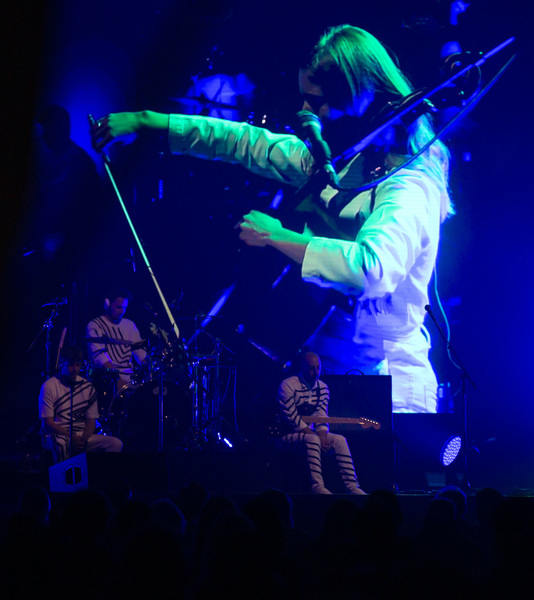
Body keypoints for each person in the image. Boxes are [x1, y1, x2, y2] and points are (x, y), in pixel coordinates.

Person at [91, 25, 452, 413]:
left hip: (390, 386)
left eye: (319, 102)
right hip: (321, 374)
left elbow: (370, 270)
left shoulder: (410, 185)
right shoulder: (341, 163)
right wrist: (148, 122)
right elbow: (244, 142)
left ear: (360, 99)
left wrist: (277, 237)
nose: (306, 113)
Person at [274, 351, 366, 495]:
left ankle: (352, 486)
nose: (315, 372)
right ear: (302, 367)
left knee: (340, 440)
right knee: (312, 439)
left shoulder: (323, 388)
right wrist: (316, 436)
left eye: (318, 367)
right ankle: (317, 486)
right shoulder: (288, 385)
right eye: (311, 368)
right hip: (286, 436)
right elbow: (291, 418)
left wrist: (322, 434)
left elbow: (321, 414)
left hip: (310, 436)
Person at [40, 345, 123, 463]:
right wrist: (71, 437)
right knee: (61, 443)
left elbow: (91, 421)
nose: (74, 369)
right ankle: (63, 480)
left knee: (115, 444)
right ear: (61, 364)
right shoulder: (49, 386)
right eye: (70, 364)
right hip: (55, 434)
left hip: (80, 435)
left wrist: (84, 437)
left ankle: (102, 479)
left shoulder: (88, 388)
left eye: (77, 365)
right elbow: (48, 423)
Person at [86, 286, 150, 394]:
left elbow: (139, 352)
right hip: (106, 380)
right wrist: (117, 380)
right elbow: (100, 357)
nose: (122, 311)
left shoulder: (129, 325)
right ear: (107, 304)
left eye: (125, 308)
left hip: (129, 378)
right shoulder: (95, 325)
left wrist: (148, 365)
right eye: (118, 307)